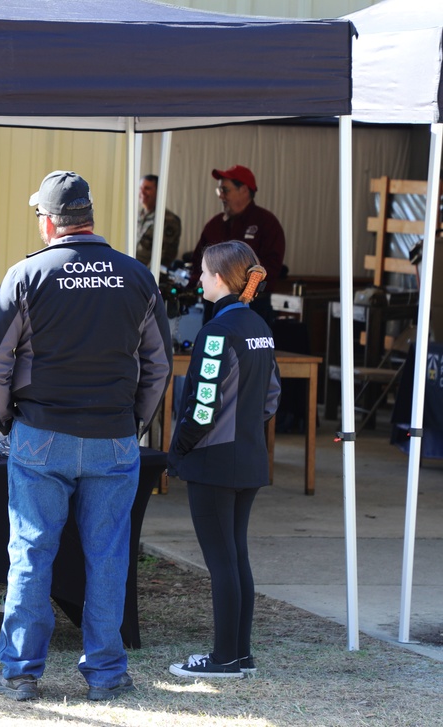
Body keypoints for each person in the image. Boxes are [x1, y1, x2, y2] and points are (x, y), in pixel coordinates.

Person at [0, 170, 172, 701]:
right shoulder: (136, 277)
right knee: (107, 554)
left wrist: (7, 420)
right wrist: (134, 423)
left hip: (41, 432)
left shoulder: (27, 275)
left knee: (31, 552)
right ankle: (107, 675)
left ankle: (20, 674)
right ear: (88, 216)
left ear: (48, 221)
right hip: (113, 436)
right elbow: (159, 365)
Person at [166, 240, 281, 679]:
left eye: (202, 272)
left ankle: (224, 659)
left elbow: (201, 405)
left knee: (222, 561)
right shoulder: (259, 326)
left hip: (214, 460)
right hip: (248, 456)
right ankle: (239, 654)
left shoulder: (219, 330)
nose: (198, 278)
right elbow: (271, 396)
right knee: (236, 557)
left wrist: (176, 453)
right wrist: (246, 425)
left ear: (219, 278)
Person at [188, 165, 285, 321]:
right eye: (219, 191)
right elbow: (197, 263)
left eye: (225, 190)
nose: (221, 196)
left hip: (253, 308)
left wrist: (244, 297)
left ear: (244, 191)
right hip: (215, 307)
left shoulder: (267, 223)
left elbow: (270, 268)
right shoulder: (214, 224)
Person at [135, 174, 182, 276]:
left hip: (150, 277)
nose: (142, 192)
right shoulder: (137, 215)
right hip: (133, 271)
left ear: (158, 191)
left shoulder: (168, 220)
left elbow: (162, 256)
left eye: (147, 188)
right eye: (140, 188)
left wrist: (142, 277)